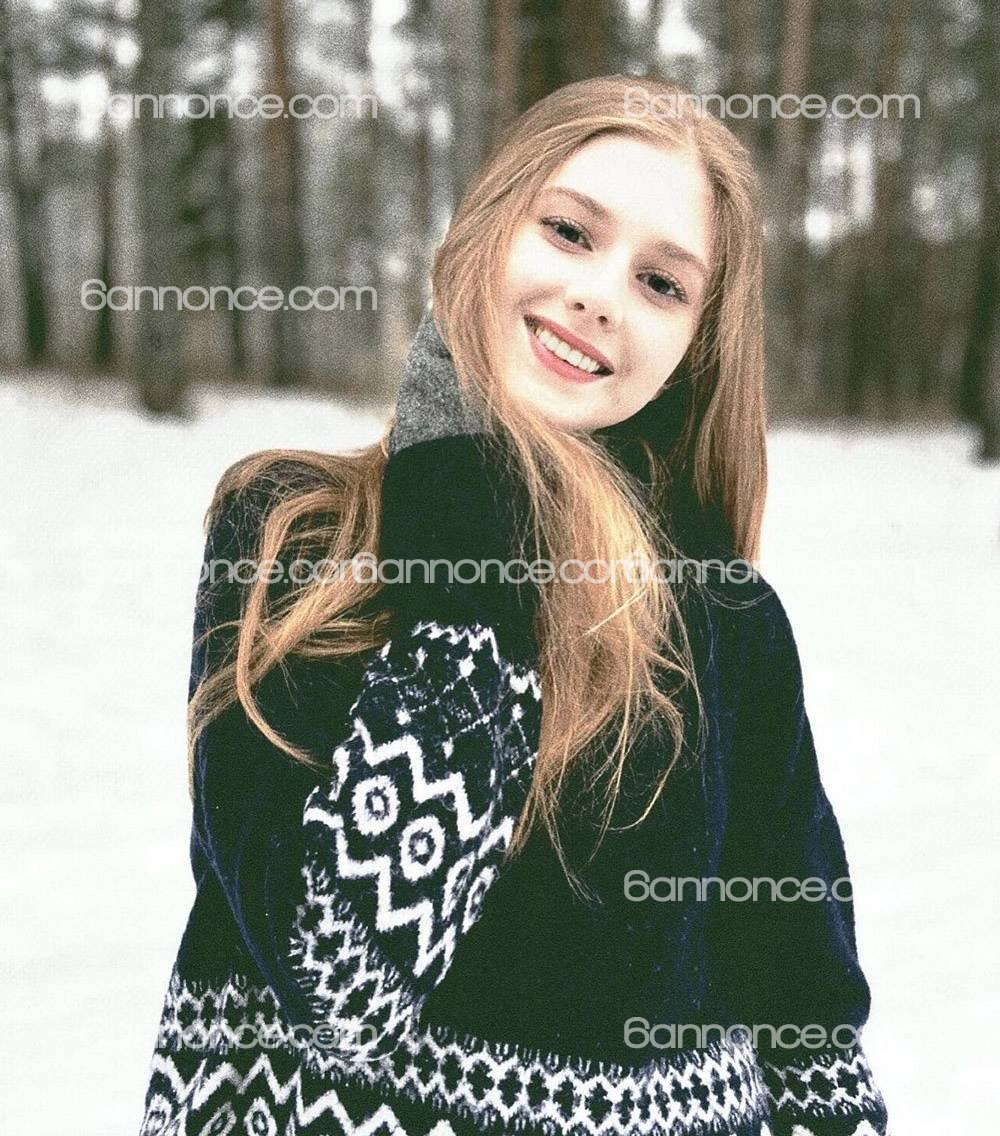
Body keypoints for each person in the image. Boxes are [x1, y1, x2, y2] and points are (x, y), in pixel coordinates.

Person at [138, 75, 889, 1136]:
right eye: (569, 231)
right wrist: (467, 507)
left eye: (661, 284)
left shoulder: (725, 617)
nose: (600, 295)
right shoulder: (289, 534)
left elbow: (805, 1009)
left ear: (696, 345)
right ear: (485, 229)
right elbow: (343, 984)